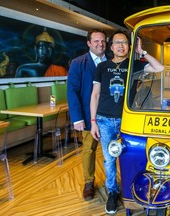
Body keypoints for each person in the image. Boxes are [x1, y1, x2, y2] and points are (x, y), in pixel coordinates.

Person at [90, 31, 165, 214]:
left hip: (128, 119)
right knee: (109, 160)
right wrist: (93, 122)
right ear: (111, 46)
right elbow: (95, 94)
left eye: (124, 42)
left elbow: (160, 68)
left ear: (129, 46)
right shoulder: (102, 67)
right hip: (104, 119)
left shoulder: (135, 65)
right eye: (117, 42)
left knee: (132, 157)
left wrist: (142, 51)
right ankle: (113, 193)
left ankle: (135, 190)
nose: (121, 46)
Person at [67, 29, 107, 201]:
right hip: (87, 115)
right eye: (96, 41)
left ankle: (112, 181)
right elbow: (72, 91)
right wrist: (77, 118)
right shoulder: (78, 63)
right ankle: (89, 182)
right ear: (89, 43)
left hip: (109, 115)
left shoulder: (112, 61)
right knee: (89, 150)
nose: (100, 44)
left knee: (112, 151)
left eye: (103, 41)